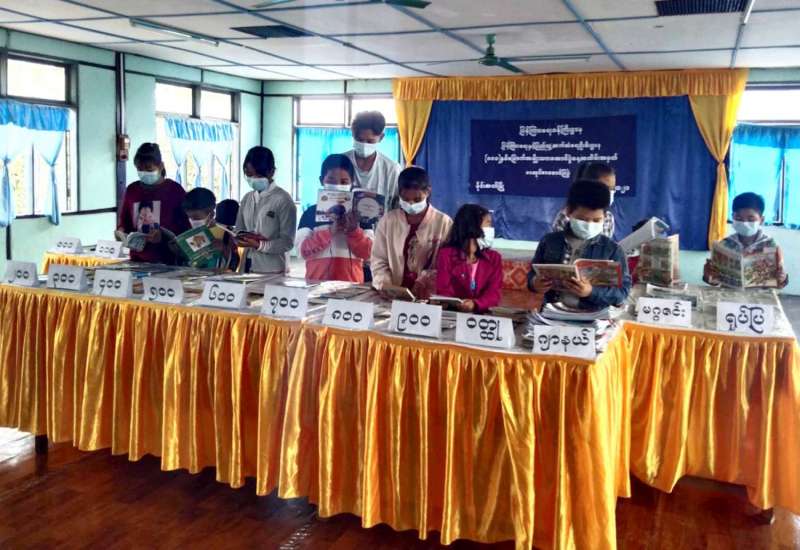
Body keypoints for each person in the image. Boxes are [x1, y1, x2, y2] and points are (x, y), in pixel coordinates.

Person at [529, 179, 631, 309]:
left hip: (592, 316)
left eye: (596, 220)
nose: (589, 225)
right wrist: (535, 283)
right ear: (568, 212)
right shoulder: (549, 241)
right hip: (553, 312)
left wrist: (591, 292)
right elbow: (532, 275)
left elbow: (622, 293)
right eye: (582, 219)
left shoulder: (613, 250)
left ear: (605, 216)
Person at [371, 166, 452, 298]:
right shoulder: (388, 221)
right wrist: (385, 285)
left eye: (417, 199)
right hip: (392, 294)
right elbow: (378, 260)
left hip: (428, 296)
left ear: (428, 191)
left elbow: (447, 266)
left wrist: (426, 281)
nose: (411, 204)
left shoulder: (444, 223)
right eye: (405, 199)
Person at [295, 154, 372, 282]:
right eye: (331, 180)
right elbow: (301, 252)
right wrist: (329, 232)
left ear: (352, 182)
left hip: (351, 287)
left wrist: (354, 231)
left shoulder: (360, 214)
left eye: (344, 182)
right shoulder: (310, 213)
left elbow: (369, 254)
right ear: (321, 180)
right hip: (316, 284)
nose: (337, 185)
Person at [116, 143, 189, 264]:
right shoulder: (132, 190)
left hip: (168, 261)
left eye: (149, 169)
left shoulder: (175, 190)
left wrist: (163, 237)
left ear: (161, 166)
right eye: (140, 170)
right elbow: (125, 222)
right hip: (137, 260)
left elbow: (186, 229)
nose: (144, 173)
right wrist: (121, 233)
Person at [703, 192, 788, 288]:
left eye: (750, 219)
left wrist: (782, 277)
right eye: (738, 218)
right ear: (732, 217)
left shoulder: (771, 245)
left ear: (761, 220)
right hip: (729, 295)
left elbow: (780, 283)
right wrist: (708, 276)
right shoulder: (724, 245)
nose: (744, 222)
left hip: (760, 296)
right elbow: (714, 282)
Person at [235, 146, 297, 274]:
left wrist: (259, 245)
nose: (253, 178)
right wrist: (238, 238)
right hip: (247, 265)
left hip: (272, 269)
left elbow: (287, 242)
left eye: (258, 175)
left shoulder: (283, 200)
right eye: (249, 174)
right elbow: (239, 230)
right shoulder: (247, 198)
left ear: (271, 172)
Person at [435, 204, 502, 313]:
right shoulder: (446, 255)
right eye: (488, 223)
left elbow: (494, 294)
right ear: (473, 226)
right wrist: (458, 304)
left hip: (482, 315)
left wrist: (475, 304)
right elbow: (443, 290)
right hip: (453, 313)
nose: (491, 229)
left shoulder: (494, 258)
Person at [344, 110, 401, 207]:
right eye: (360, 140)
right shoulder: (340, 162)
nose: (364, 145)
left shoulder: (391, 169)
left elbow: (397, 204)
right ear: (353, 134)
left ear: (381, 137)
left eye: (370, 141)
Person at [551, 161, 617, 238]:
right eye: (604, 187)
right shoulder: (565, 217)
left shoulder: (608, 218)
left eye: (612, 188)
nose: (609, 192)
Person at [178, 188, 237, 270]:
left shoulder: (226, 233)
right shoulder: (187, 233)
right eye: (190, 218)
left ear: (211, 212)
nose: (193, 221)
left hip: (219, 276)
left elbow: (237, 263)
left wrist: (224, 249)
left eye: (196, 217)